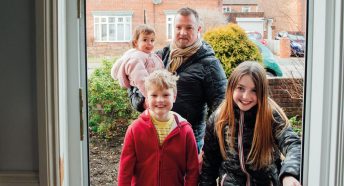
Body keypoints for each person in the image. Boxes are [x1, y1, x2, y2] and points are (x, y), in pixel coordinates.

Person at [130, 7, 228, 154]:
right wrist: (141, 101)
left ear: (198, 29)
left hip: (189, 143)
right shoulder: (159, 56)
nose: (182, 32)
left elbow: (221, 111)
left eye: (189, 28)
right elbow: (132, 87)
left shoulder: (210, 65)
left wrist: (208, 151)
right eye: (178, 27)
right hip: (156, 139)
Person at [199, 61, 302, 186]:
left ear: (262, 92)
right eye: (240, 88)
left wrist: (289, 174)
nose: (246, 96)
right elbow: (209, 166)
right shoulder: (218, 118)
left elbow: (293, 145)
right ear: (231, 88)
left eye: (254, 90)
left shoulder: (271, 115)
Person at [117, 69, 199, 186]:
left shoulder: (185, 130)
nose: (160, 100)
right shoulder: (135, 129)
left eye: (166, 95)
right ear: (147, 98)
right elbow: (125, 170)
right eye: (154, 95)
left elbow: (193, 169)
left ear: (174, 97)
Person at [111, 24, 164, 111]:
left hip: (151, 90)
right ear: (136, 42)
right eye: (145, 40)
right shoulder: (136, 58)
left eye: (152, 40)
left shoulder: (149, 54)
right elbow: (140, 79)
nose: (149, 43)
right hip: (143, 91)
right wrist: (150, 96)